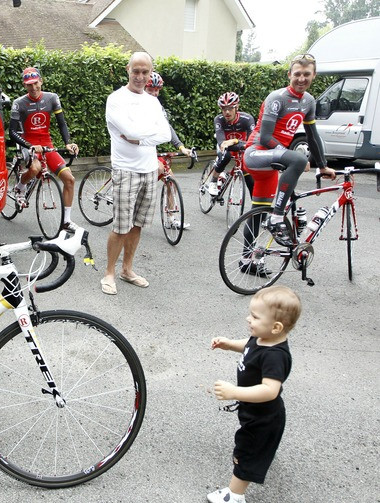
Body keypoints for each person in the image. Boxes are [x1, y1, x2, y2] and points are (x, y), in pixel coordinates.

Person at [209, 285, 302, 503]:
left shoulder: (275, 356)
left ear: (276, 327)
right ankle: (264, 454)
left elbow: (270, 390)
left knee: (246, 453)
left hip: (264, 418)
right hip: (255, 412)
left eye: (255, 316)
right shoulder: (263, 338)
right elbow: (250, 346)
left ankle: (234, 495)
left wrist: (234, 392)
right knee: (257, 448)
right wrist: (230, 344)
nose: (248, 319)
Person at [243, 54, 336, 249]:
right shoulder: (277, 98)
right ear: (289, 75)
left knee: (257, 211)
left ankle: (246, 259)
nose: (302, 79)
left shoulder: (309, 101)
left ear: (314, 75)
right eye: (297, 74)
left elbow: (312, 136)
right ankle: (276, 218)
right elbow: (266, 137)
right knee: (299, 159)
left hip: (271, 166)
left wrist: (323, 165)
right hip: (256, 154)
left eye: (307, 74)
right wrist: (291, 157)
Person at [101, 52, 171, 295]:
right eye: (136, 71)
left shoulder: (153, 102)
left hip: (149, 169)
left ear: (150, 72)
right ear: (127, 70)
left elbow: (165, 134)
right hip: (126, 170)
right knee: (121, 226)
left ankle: (127, 270)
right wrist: (146, 133)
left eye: (145, 72)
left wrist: (139, 140)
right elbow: (128, 129)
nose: (140, 77)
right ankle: (109, 272)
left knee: (138, 224)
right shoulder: (116, 99)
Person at [9, 67, 80, 232]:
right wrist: (29, 146)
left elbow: (61, 123)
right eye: (29, 85)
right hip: (28, 142)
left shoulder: (52, 98)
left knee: (69, 179)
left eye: (35, 83)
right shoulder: (19, 103)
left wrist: (68, 143)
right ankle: (20, 187)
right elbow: (12, 132)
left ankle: (66, 222)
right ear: (24, 85)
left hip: (46, 144)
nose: (33, 88)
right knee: (35, 169)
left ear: (41, 81)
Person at [144, 71, 191, 229]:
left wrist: (181, 146)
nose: (155, 93)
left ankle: (171, 219)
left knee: (171, 181)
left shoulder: (157, 106)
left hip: (149, 150)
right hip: (133, 151)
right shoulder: (136, 104)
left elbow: (167, 128)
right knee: (157, 169)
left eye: (157, 90)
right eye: (151, 89)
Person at [207, 92, 255, 198]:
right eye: (224, 109)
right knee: (226, 155)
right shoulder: (219, 119)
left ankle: (256, 210)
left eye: (230, 108)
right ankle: (213, 181)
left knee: (250, 180)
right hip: (226, 149)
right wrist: (231, 143)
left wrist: (234, 141)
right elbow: (222, 143)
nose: (227, 112)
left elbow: (252, 142)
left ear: (237, 107)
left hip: (241, 147)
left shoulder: (247, 119)